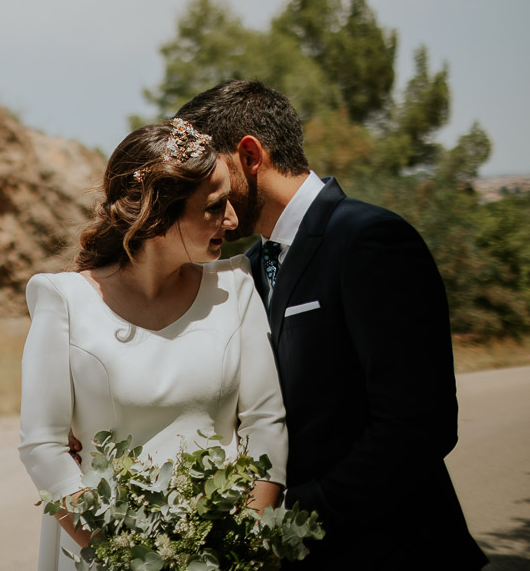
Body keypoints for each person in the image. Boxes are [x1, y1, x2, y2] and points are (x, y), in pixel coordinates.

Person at [172, 80, 487, 570]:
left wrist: (288, 511)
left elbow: (418, 425)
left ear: (250, 155)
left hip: (394, 549)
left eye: (209, 174)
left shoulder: (370, 241)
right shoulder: (247, 269)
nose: (202, 194)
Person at [18, 118, 288, 571]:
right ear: (159, 215)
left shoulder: (235, 285)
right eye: (214, 206)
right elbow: (43, 447)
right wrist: (130, 559)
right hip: (103, 555)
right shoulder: (64, 300)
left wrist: (244, 546)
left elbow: (266, 423)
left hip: (223, 554)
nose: (233, 219)